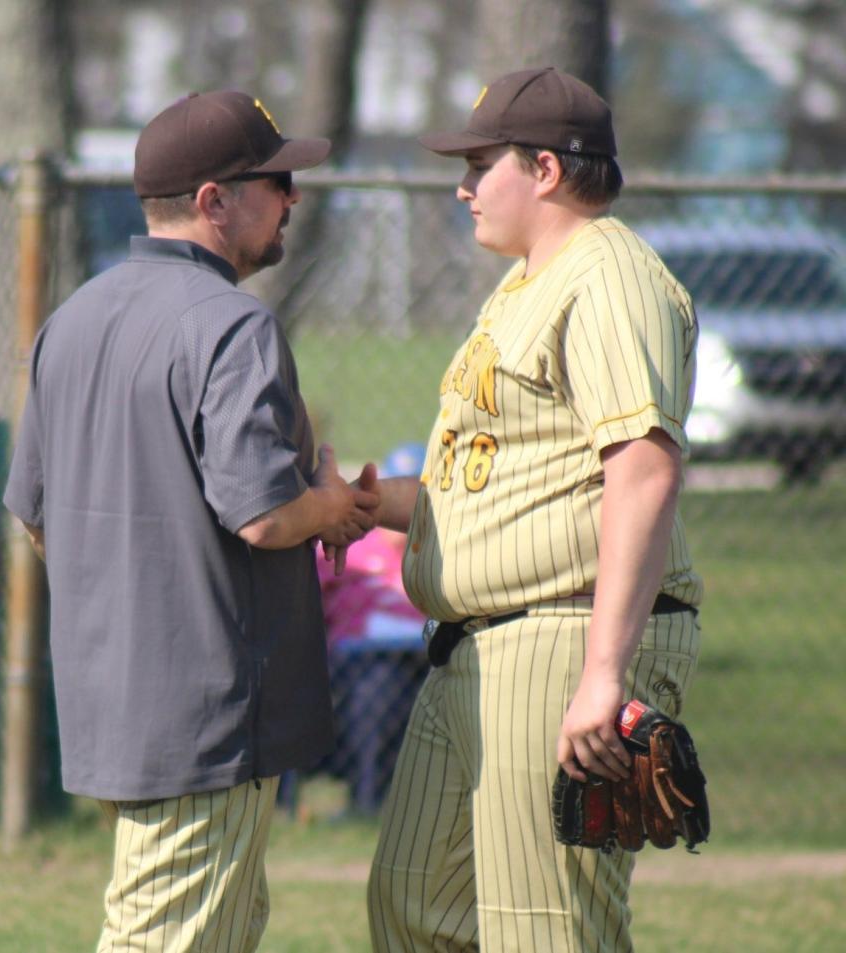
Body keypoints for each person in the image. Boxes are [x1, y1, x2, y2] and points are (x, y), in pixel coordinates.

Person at [3, 90, 378, 953]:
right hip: (205, 719)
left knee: (219, 929)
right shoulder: (232, 324)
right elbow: (264, 514)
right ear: (215, 199)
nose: (293, 197)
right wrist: (327, 503)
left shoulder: (73, 319)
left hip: (114, 706)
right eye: (278, 180)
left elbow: (37, 519)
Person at [363, 67, 703, 952]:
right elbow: (503, 482)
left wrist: (603, 673)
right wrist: (366, 506)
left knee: (545, 932)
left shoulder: (610, 275)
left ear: (546, 170)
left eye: (482, 164)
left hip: (562, 636)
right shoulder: (524, 285)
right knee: (415, 908)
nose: (464, 186)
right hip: (475, 646)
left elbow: (643, 470)